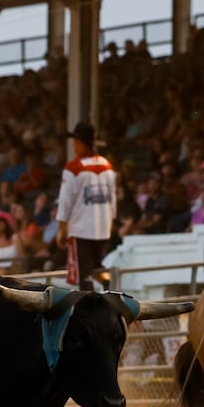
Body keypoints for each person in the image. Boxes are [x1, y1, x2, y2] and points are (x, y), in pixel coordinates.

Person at [55, 122, 117, 291]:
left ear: (79, 142)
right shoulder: (107, 165)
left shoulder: (73, 168)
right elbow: (112, 199)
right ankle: (108, 283)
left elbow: (65, 202)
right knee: (98, 266)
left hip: (81, 229)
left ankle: (89, 307)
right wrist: (110, 221)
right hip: (103, 228)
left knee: (85, 274)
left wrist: (61, 229)